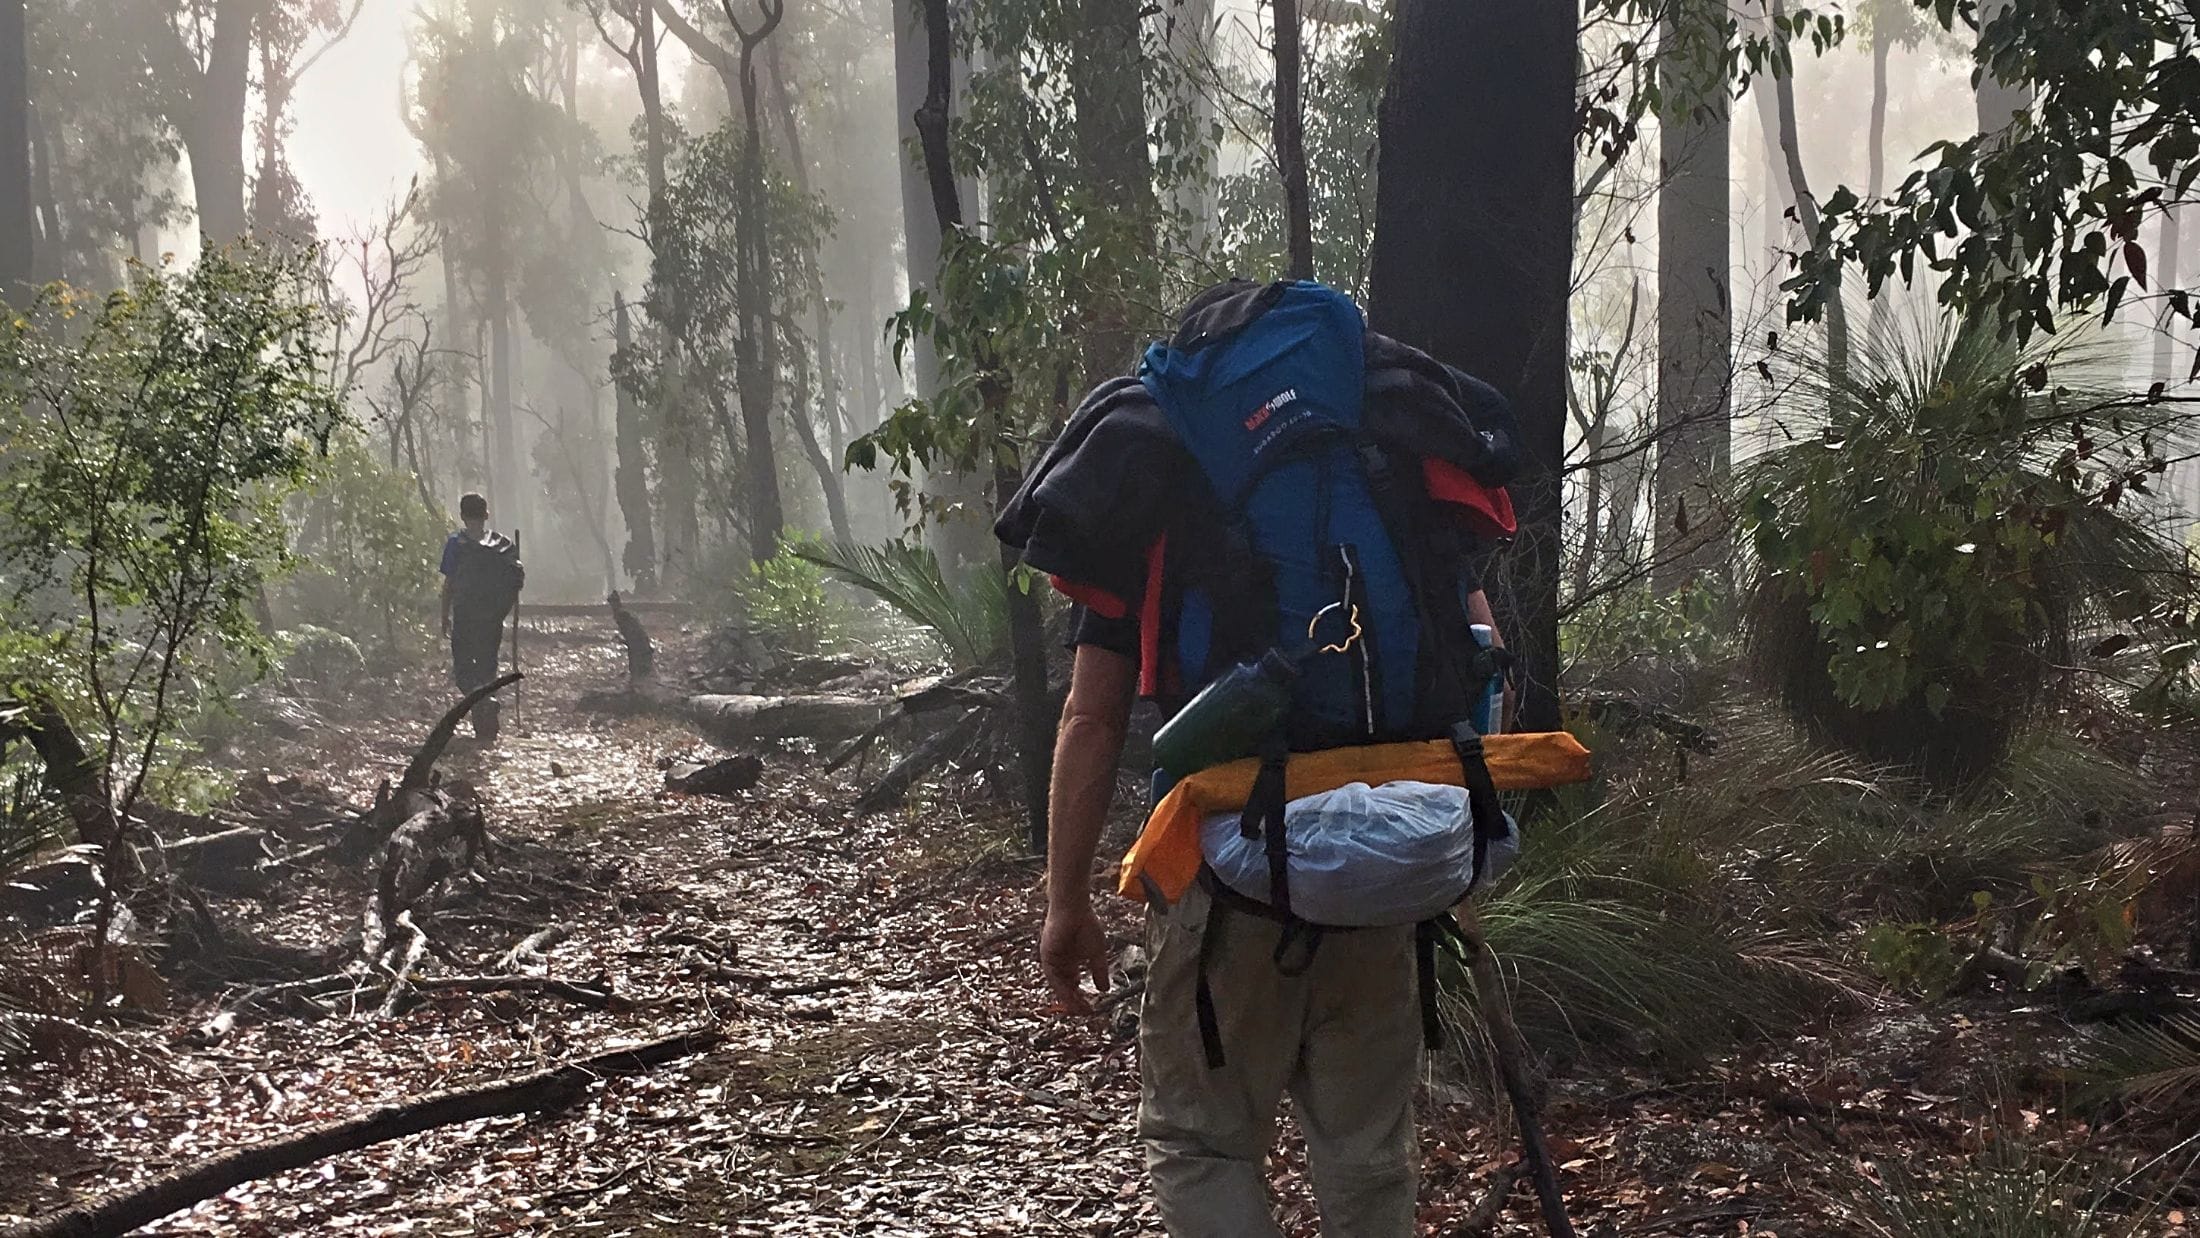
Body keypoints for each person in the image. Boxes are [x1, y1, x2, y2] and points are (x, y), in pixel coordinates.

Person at [998, 280, 1523, 1236]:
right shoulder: (1386, 447)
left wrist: (1066, 903)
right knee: (1367, 1154)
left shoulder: (1164, 465)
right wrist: (1447, 831)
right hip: (1386, 865)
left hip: (1225, 877)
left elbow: (1092, 716)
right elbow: (1484, 650)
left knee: (1203, 1143)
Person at [438, 493, 523, 741]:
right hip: (492, 619)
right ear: (486, 515)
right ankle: (487, 720)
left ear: (463, 516)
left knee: (464, 670)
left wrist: (445, 616)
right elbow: (514, 582)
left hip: (464, 616)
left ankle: (484, 705)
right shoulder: (503, 546)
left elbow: (449, 583)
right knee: (487, 668)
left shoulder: (456, 544)